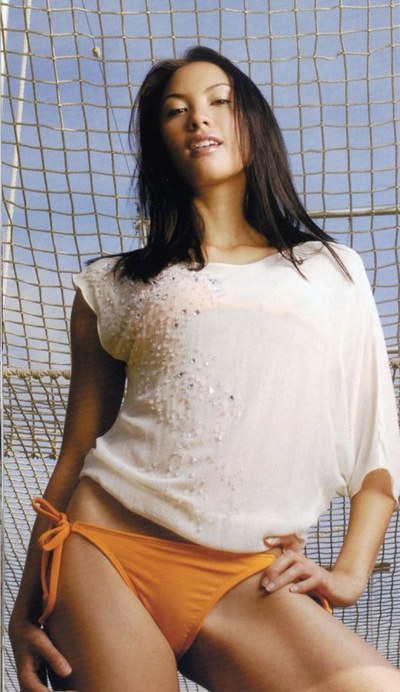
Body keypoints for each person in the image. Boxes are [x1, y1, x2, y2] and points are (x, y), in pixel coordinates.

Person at [9, 45, 400, 692]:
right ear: (158, 141)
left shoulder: (332, 271)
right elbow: (76, 450)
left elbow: (375, 449)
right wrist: (23, 612)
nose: (198, 118)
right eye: (176, 110)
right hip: (105, 550)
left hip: (250, 576)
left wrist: (352, 574)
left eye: (220, 100)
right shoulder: (114, 285)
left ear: (253, 123)